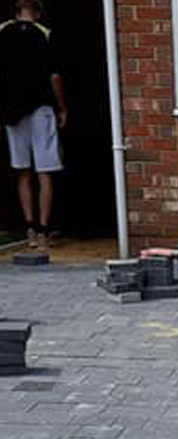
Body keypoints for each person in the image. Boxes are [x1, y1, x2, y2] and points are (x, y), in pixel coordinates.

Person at [0, 0, 66, 254]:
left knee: (22, 170)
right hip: (41, 108)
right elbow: (55, 76)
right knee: (45, 170)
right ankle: (43, 230)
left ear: (15, 12)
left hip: (12, 112)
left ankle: (28, 228)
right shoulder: (44, 34)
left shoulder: (3, 32)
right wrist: (62, 107)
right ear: (37, 11)